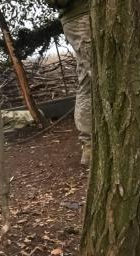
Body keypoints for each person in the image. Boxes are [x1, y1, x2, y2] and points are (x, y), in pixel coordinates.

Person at [47, 0, 91, 166]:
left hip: (82, 16)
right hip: (81, 16)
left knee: (88, 82)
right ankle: (91, 146)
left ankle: (90, 147)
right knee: (104, 79)